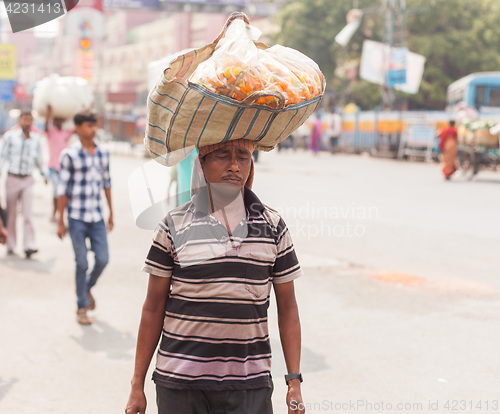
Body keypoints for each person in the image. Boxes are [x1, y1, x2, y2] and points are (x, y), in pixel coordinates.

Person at [125, 138, 305, 414]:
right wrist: (137, 385)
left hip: (249, 385)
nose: (234, 166)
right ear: (201, 165)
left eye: (243, 157)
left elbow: (288, 307)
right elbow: (152, 307)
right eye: (222, 156)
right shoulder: (173, 225)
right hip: (180, 383)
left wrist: (294, 382)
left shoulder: (273, 226)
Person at [57, 110, 113, 325]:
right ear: (78, 128)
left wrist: (111, 213)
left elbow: (107, 184)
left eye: (94, 125)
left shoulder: (103, 153)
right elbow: (63, 189)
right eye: (89, 125)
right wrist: (60, 220)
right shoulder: (69, 155)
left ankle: (86, 288)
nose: (93, 129)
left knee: (102, 260)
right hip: (77, 217)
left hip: (96, 216)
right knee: (81, 262)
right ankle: (81, 307)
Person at [0, 110, 48, 258]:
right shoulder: (10, 137)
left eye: (29, 120)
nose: (27, 123)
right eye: (24, 120)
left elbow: (39, 159)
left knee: (28, 214)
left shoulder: (35, 139)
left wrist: (44, 174)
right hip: (13, 178)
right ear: (20, 121)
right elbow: (2, 158)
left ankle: (29, 246)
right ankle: (11, 244)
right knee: (11, 214)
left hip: (27, 179)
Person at [44, 104, 73, 222]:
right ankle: (55, 212)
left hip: (65, 167)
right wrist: (49, 113)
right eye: (57, 120)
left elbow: (77, 127)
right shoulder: (51, 132)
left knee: (64, 192)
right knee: (57, 191)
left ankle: (60, 213)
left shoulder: (66, 133)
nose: (59, 122)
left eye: (61, 120)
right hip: (53, 168)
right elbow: (46, 126)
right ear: (54, 121)